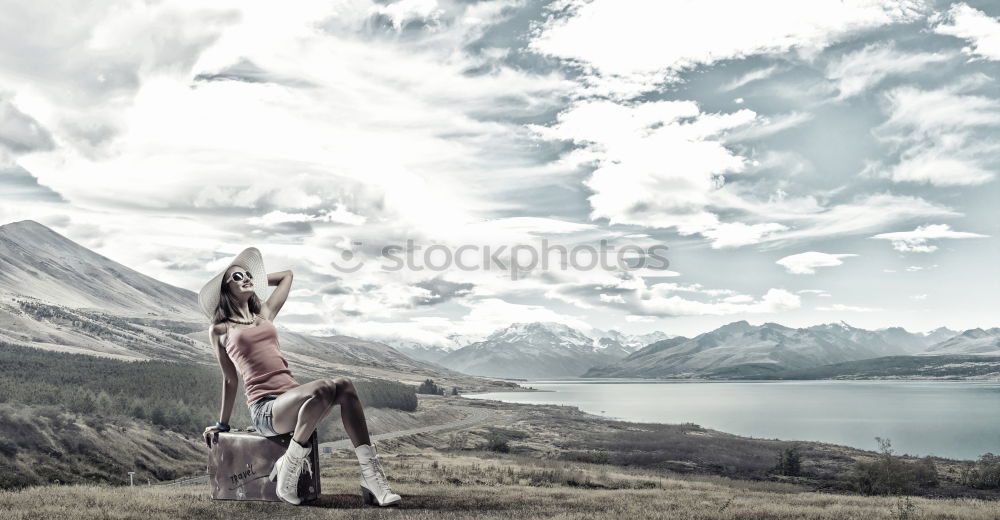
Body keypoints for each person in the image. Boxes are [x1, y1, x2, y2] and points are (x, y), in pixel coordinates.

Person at [198, 247, 401, 507]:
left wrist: (257, 281)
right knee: (326, 387)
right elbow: (229, 379)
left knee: (346, 387)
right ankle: (289, 468)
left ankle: (371, 478)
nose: (246, 278)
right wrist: (222, 424)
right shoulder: (220, 329)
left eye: (248, 274)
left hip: (299, 403)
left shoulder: (265, 315)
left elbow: (287, 276)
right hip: (267, 409)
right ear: (225, 290)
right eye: (236, 277)